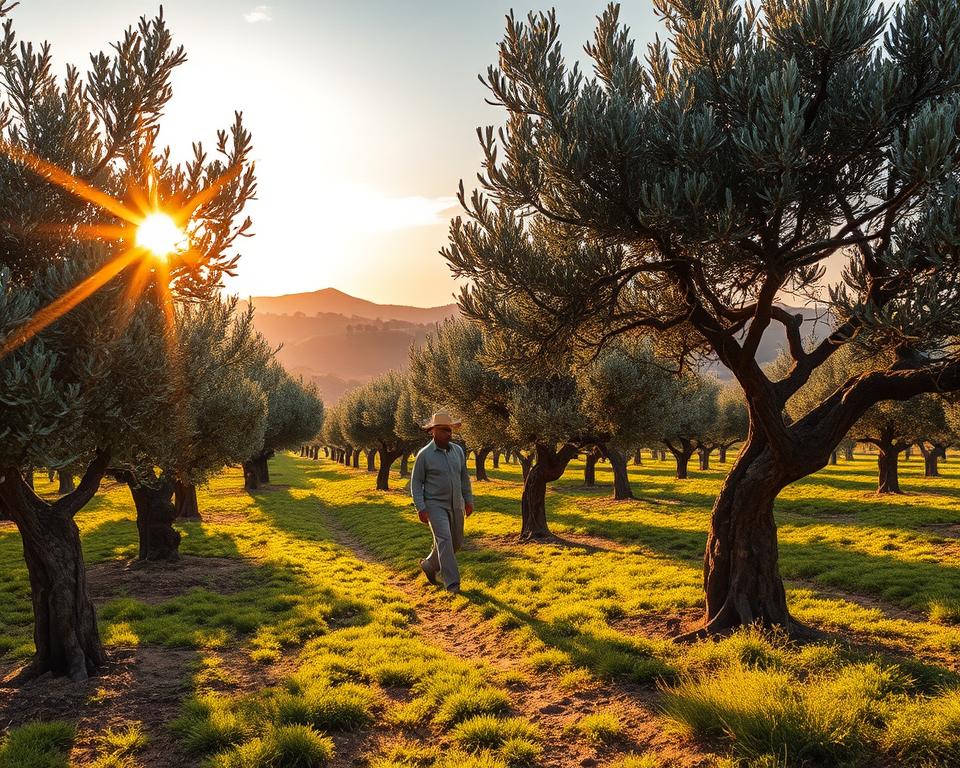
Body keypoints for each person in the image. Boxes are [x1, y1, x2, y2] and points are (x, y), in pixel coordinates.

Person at [410, 409, 474, 594]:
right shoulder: (424, 455)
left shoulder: (458, 452)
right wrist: (421, 507)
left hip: (456, 504)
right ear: (434, 431)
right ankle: (453, 583)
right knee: (445, 540)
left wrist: (468, 500)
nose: (449, 434)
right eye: (445, 430)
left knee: (456, 543)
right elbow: (416, 483)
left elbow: (464, 478)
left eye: (450, 430)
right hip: (434, 505)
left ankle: (430, 565)